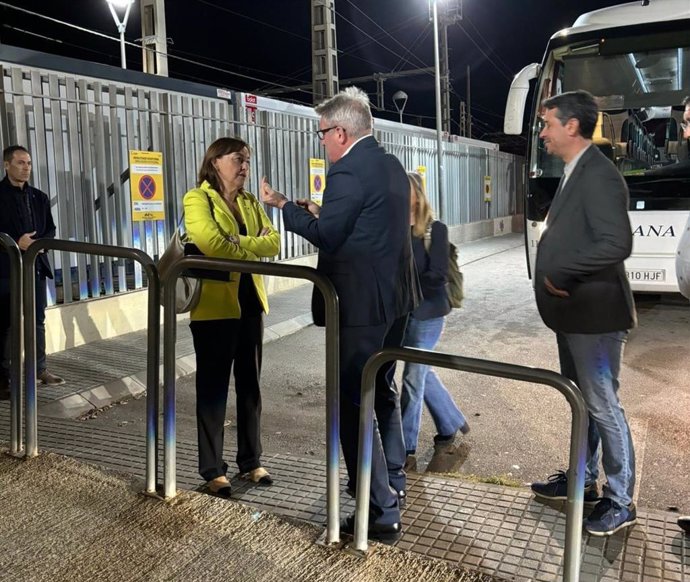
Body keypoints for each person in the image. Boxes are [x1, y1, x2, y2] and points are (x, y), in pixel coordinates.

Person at [260, 86, 419, 542]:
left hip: (363, 307)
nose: (322, 141)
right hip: (396, 303)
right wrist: (318, 211)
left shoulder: (347, 172)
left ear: (343, 132)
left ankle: (379, 509)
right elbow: (361, 226)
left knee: (354, 404)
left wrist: (286, 207)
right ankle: (393, 479)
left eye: (323, 133)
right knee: (383, 392)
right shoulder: (389, 166)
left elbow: (329, 238)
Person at [529, 90, 638, 537]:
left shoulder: (599, 174)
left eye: (547, 123)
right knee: (584, 403)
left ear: (571, 126)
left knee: (602, 404)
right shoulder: (577, 171)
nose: (543, 132)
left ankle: (619, 498)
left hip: (595, 318)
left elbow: (618, 243)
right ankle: (583, 479)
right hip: (573, 315)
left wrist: (563, 271)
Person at [184, 137, 280, 498]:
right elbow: (210, 243)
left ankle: (251, 461)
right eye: (238, 159)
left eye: (248, 161)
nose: (245, 167)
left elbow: (274, 243)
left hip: (250, 303)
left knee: (250, 387)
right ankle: (213, 470)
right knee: (212, 390)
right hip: (214, 308)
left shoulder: (251, 201)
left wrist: (238, 241)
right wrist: (249, 242)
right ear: (216, 161)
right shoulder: (197, 199)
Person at [401, 172, 468, 472]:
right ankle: (450, 422)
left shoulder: (434, 230)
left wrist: (405, 285)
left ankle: (404, 449)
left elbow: (437, 275)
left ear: (417, 194)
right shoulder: (393, 228)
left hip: (428, 316)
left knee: (412, 380)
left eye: (405, 189)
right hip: (402, 316)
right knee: (422, 374)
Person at [0, 145, 64, 400]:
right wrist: (17, 241)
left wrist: (38, 245)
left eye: (28, 163)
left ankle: (40, 369)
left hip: (35, 267)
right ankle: (3, 378)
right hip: (6, 269)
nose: (26, 167)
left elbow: (50, 228)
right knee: (6, 324)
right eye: (20, 163)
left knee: (37, 320)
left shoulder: (39, 197)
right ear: (7, 165)